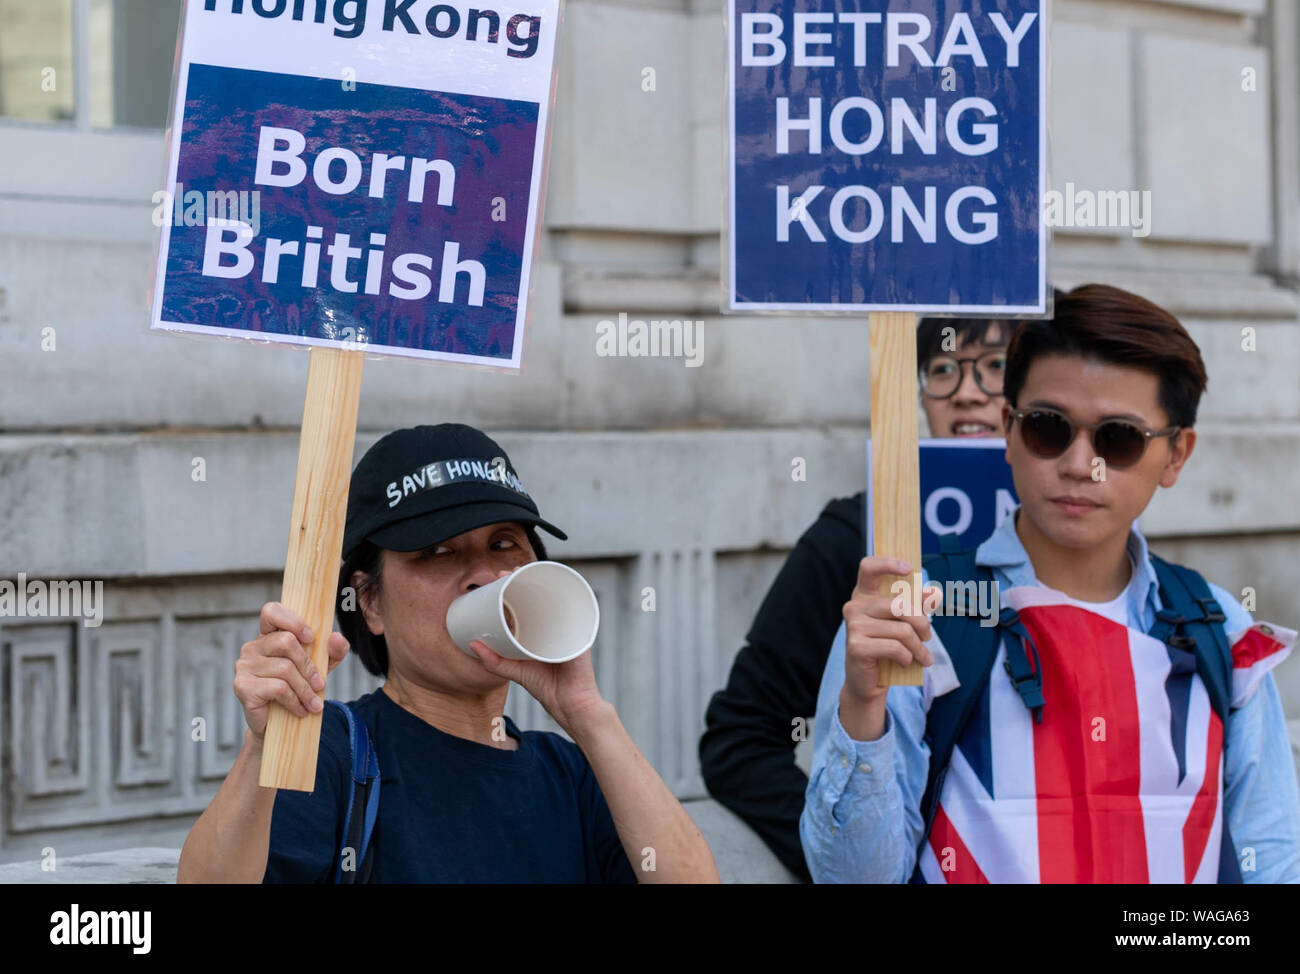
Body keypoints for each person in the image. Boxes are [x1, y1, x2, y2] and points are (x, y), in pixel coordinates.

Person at [801, 283, 1300, 883]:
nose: (1077, 464)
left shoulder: (1223, 627)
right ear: (1009, 431)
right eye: (1047, 427)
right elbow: (855, 879)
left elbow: (1272, 860)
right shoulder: (915, 613)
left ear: (1176, 455)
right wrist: (862, 707)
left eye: (1117, 438)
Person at [178, 422, 719, 884]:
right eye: (438, 552)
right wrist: (261, 750)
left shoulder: (570, 770)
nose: (482, 576)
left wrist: (589, 715)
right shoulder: (330, 754)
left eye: (503, 544)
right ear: (370, 604)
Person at [699, 312, 1011, 879]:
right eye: (942, 369)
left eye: (997, 367)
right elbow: (740, 741)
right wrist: (850, 853)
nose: (968, 393)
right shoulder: (854, 539)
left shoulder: (1093, 544)